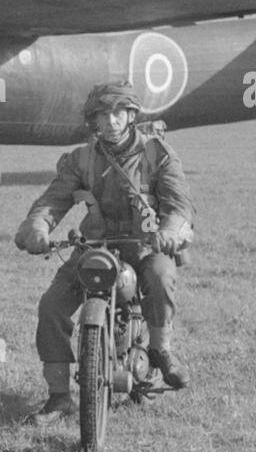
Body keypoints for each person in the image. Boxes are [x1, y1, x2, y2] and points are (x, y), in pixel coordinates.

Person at [13, 81, 195, 424]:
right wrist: (37, 227)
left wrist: (170, 232)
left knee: (160, 275)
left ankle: (160, 349)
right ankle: (59, 397)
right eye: (103, 115)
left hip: (145, 246)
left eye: (118, 114)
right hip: (95, 245)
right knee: (51, 305)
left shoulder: (159, 155)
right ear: (93, 121)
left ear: (130, 116)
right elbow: (53, 200)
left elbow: (180, 206)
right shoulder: (79, 160)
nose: (110, 122)